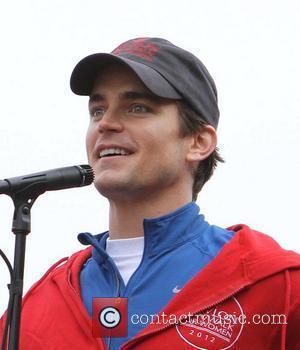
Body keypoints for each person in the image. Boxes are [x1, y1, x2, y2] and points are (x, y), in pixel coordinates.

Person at [1, 37, 300, 350]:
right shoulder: (31, 309)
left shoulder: (278, 285)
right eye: (97, 110)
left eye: (137, 107)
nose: (106, 123)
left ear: (198, 141)